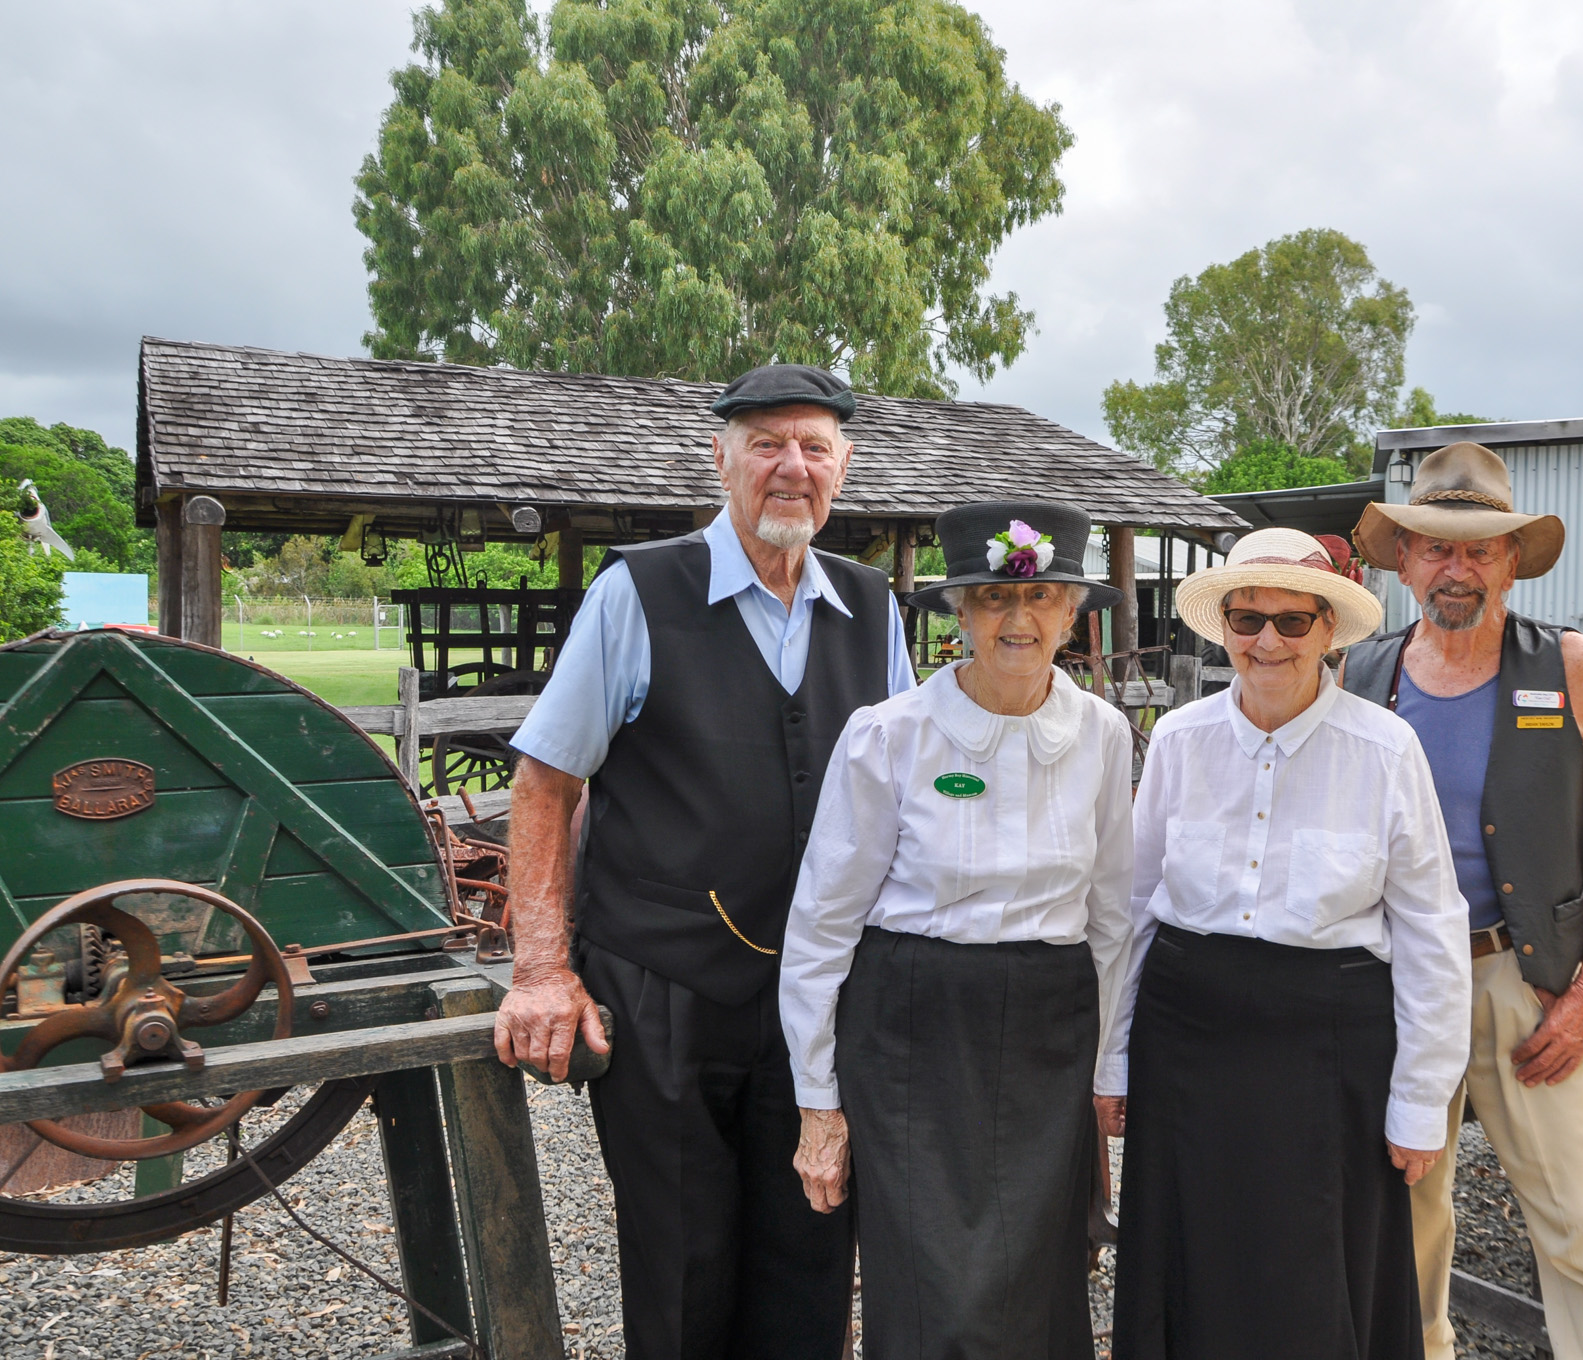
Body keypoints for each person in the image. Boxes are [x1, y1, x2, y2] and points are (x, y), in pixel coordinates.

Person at [493, 363, 917, 1360]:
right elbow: (543, 784)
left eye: (813, 446)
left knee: (814, 1252)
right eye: (765, 442)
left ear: (843, 469)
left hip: (817, 996)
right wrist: (542, 970)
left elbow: (906, 796)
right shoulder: (638, 591)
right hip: (661, 988)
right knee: (683, 1263)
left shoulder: (873, 607)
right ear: (719, 457)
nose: (790, 466)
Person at [1102, 527, 1471, 1360]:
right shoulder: (1179, 739)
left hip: (1329, 1047)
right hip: (1185, 1042)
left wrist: (1419, 1101)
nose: (1266, 641)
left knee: (1317, 1266)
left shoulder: (1385, 750)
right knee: (1186, 1254)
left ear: (1328, 632)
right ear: (1224, 626)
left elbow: (1430, 932)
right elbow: (1132, 908)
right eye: (1246, 619)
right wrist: (1111, 1061)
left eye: (1291, 622)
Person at [779, 500, 1135, 1360]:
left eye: (1043, 598)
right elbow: (823, 925)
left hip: (1052, 1030)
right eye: (993, 600)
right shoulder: (887, 736)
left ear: (1074, 613)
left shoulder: (1103, 735)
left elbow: (1114, 917)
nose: (1019, 621)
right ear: (961, 613)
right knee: (929, 1274)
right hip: (912, 1028)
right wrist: (819, 1102)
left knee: (1044, 1269)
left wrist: (1107, 1068)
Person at [1344, 441, 1583, 1360]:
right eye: (1437, 547)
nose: (1457, 568)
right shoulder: (1360, 674)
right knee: (1401, 1223)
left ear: (1513, 560)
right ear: (1402, 558)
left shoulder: (1573, 666)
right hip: (1395, 986)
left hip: (1525, 986)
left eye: (1479, 548)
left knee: (1578, 1226)